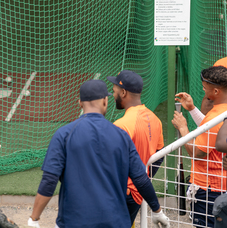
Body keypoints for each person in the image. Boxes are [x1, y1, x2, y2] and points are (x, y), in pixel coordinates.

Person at [27, 79, 170, 228]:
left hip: (73, 221)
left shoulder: (63, 134)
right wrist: (157, 210)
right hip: (115, 222)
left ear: (80, 103)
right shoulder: (121, 136)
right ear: (104, 101)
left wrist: (34, 218)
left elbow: (49, 180)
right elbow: (141, 179)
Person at [107, 70, 164, 224]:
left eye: (114, 91)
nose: (113, 96)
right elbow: (160, 155)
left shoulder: (122, 125)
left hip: (122, 194)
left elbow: (108, 164)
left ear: (123, 92)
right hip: (137, 193)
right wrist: (144, 181)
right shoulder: (155, 119)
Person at [172, 66, 227, 227]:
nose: (202, 89)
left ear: (216, 91)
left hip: (209, 189)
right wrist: (192, 109)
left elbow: (196, 152)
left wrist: (183, 128)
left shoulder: (215, 115)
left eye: (205, 87)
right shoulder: (220, 113)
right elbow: (210, 128)